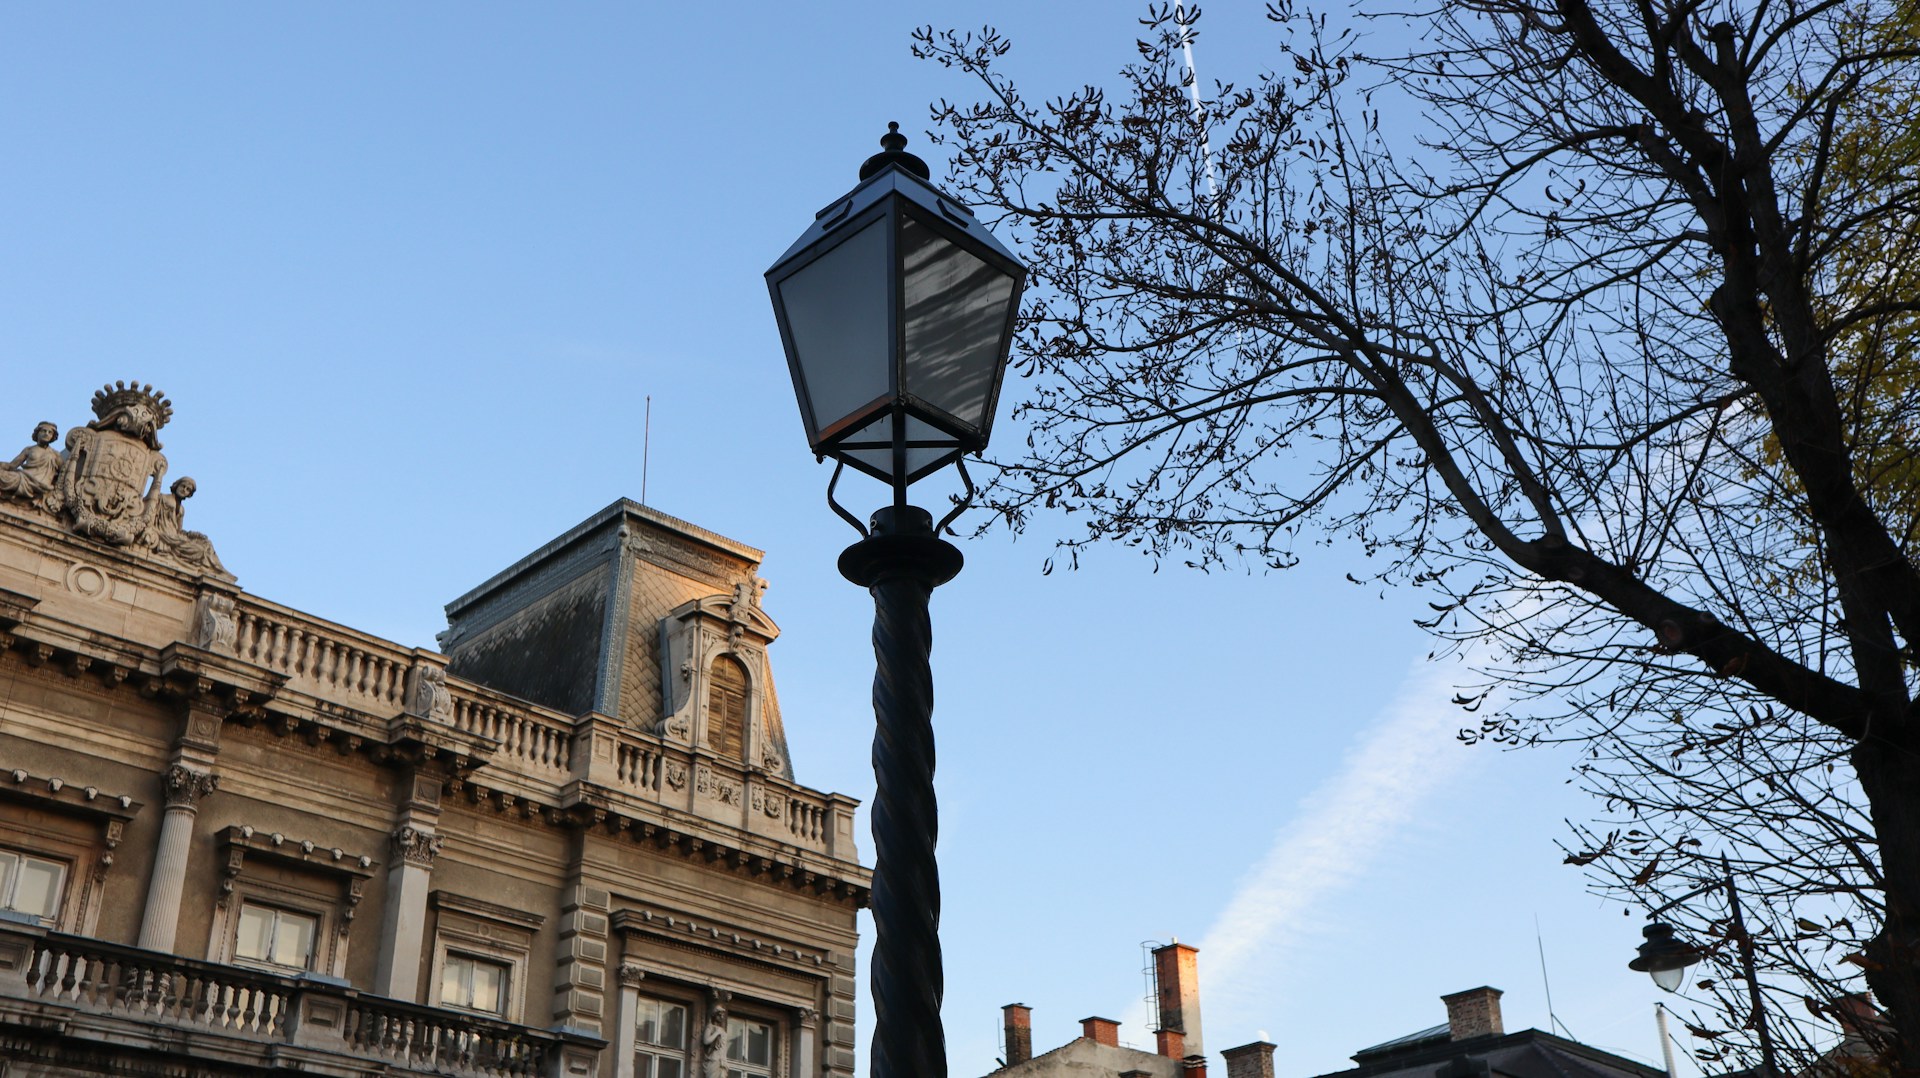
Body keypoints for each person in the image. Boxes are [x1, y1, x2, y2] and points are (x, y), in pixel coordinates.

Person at [145, 477, 227, 575]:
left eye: (188, 489)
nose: (184, 490)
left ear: (189, 494)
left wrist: (193, 535)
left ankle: (216, 571)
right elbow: (149, 514)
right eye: (183, 486)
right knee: (200, 551)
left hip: (174, 538)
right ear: (177, 485)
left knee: (205, 546)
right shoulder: (162, 498)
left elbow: (179, 531)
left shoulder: (182, 510)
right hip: (163, 535)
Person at [0, 422, 60, 506]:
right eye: (44, 431)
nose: (46, 434)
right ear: (37, 433)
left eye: (50, 432)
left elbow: (64, 472)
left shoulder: (55, 455)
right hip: (24, 478)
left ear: (52, 437)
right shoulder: (29, 449)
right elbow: (12, 466)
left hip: (41, 484)